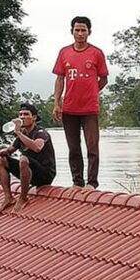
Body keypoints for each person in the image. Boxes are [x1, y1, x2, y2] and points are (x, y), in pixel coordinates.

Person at [52, 16, 109, 190]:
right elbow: (60, 79)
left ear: (89, 32)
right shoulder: (64, 53)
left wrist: (92, 91)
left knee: (92, 147)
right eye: (77, 30)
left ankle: (92, 182)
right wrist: (57, 103)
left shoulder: (96, 53)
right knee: (73, 148)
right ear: (72, 32)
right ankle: (77, 182)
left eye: (83, 30)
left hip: (90, 109)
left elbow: (104, 78)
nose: (80, 33)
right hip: (69, 108)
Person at [0, 103, 57, 213]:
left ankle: (23, 198)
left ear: (34, 118)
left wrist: (18, 132)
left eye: (26, 114)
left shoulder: (41, 133)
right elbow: (9, 150)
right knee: (1, 161)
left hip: (44, 174)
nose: (22, 117)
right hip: (29, 170)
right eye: (20, 114)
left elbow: (37, 147)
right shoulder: (22, 135)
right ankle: (8, 197)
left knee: (23, 159)